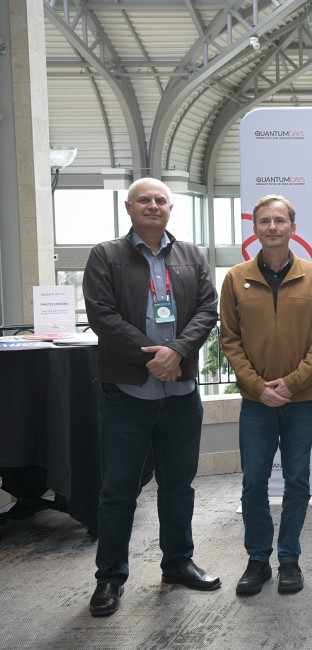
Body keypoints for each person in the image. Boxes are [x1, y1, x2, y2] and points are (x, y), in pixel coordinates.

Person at [82, 177, 220, 617]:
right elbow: (100, 314)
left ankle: (177, 563)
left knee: (178, 486)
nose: (153, 206)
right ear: (128, 208)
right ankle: (109, 578)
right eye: (144, 200)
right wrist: (152, 357)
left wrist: (177, 351)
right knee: (119, 490)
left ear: (171, 208)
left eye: (161, 200)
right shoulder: (107, 255)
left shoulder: (192, 255)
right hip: (127, 393)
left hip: (181, 392)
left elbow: (207, 309)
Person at [219, 195, 312, 597]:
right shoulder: (235, 279)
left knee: (297, 480)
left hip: (301, 400)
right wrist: (256, 386)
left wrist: (293, 382)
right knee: (253, 482)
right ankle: (257, 560)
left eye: (280, 221)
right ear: (255, 229)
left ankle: (288, 559)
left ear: (292, 227)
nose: (272, 227)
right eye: (265, 221)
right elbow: (229, 338)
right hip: (256, 402)